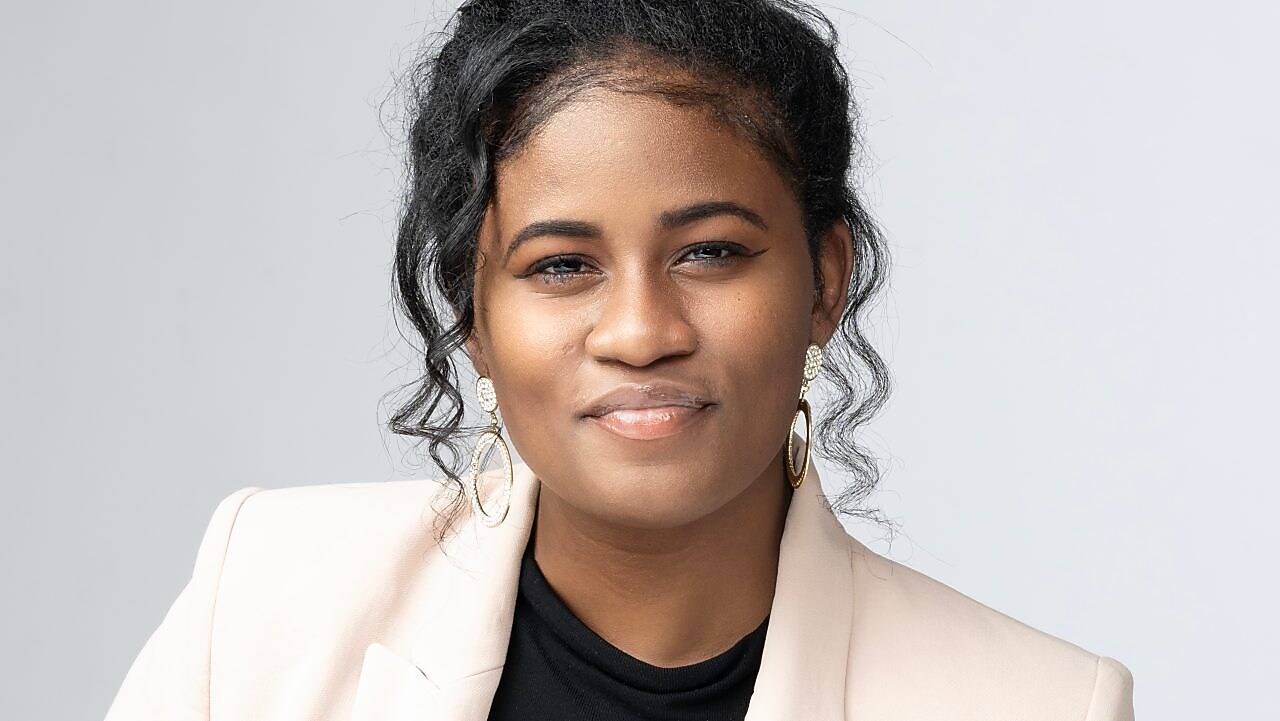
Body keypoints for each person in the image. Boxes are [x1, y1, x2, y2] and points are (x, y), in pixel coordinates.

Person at [103, 1, 1136, 719]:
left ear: (824, 280)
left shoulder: (1037, 704)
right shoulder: (264, 601)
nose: (640, 331)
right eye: (560, 265)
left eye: (710, 252)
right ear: (471, 308)